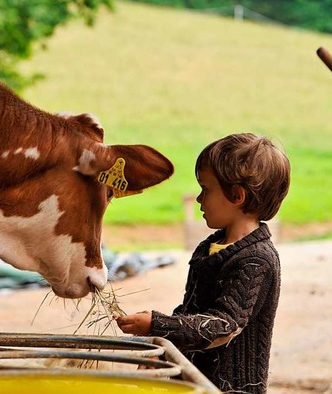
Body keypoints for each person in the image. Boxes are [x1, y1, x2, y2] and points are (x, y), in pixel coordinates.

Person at [116, 133, 290, 393]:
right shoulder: (210, 248)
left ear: (236, 196)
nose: (199, 199)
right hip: (195, 383)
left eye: (206, 189)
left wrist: (158, 324)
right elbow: (191, 312)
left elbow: (223, 327)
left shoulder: (256, 260)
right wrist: (163, 348)